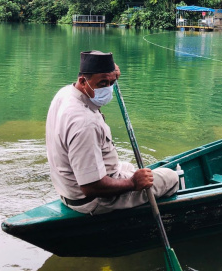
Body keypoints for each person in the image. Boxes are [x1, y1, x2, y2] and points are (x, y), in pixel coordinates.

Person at [46, 50, 179, 215]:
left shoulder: (66, 93)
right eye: (102, 83)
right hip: (92, 200)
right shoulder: (85, 123)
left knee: (129, 166)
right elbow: (91, 187)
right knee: (171, 177)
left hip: (67, 189)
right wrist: (132, 183)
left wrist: (110, 73)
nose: (108, 89)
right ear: (82, 81)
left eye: (112, 82)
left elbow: (102, 82)